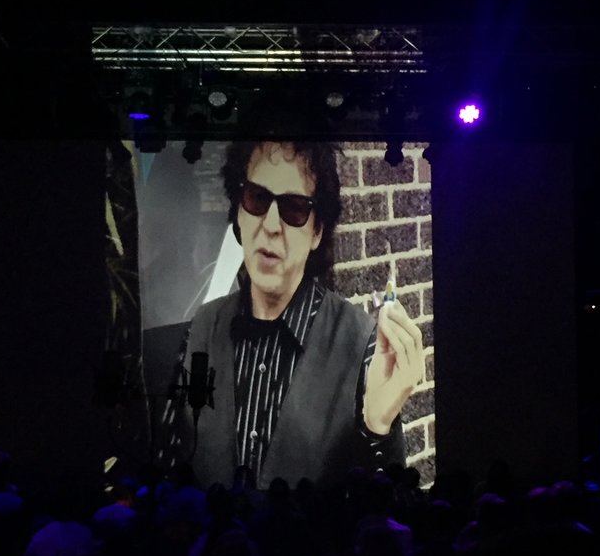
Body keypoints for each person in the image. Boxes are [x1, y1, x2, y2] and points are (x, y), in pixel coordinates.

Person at [160, 139, 425, 490]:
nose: (270, 224)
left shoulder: (359, 343)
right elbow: (168, 463)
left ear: (316, 231)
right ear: (239, 211)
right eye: (257, 198)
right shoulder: (203, 327)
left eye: (294, 208)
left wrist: (377, 426)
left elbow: (381, 508)